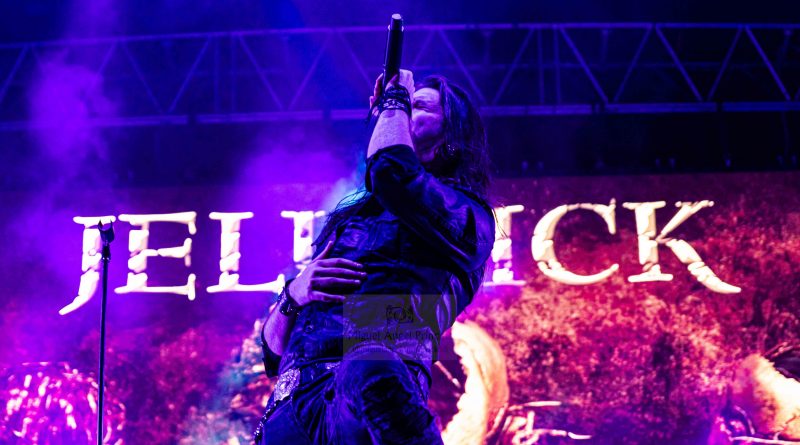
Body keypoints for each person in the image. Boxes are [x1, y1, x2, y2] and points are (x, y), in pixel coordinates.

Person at [255, 69, 495, 444]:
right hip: (291, 411)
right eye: (406, 104)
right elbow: (272, 354)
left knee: (368, 365)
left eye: (420, 106)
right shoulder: (350, 220)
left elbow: (391, 170)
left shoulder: (466, 216)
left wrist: (394, 102)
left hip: (368, 393)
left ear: (450, 138)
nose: (405, 110)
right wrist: (293, 295)